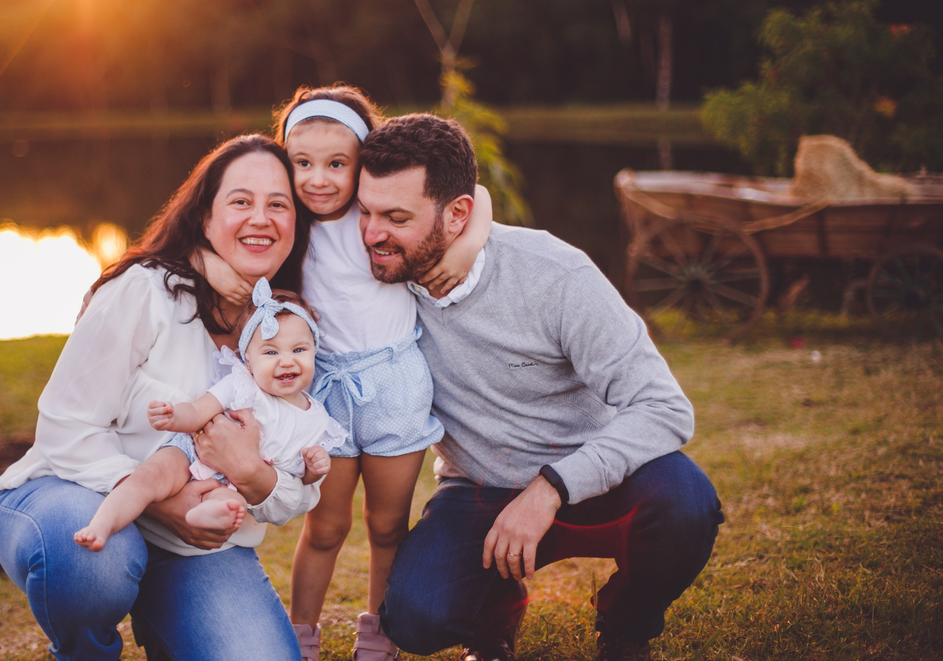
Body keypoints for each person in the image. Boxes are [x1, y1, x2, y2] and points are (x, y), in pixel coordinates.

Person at [357, 114, 724, 661]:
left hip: (596, 479)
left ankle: (626, 624)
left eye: (395, 216)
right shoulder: (375, 280)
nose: (371, 234)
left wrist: (550, 487)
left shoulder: (555, 274)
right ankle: (494, 617)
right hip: (479, 487)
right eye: (364, 212)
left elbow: (664, 408)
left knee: (686, 505)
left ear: (459, 214)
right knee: (414, 618)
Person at [0, 134, 316, 661]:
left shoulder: (290, 332)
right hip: (75, 495)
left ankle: (171, 623)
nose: (262, 218)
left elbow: (298, 482)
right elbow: (64, 427)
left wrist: (255, 476)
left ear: (295, 225)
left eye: (278, 204)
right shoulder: (145, 290)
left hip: (190, 548)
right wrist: (161, 500)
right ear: (205, 218)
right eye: (241, 201)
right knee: (93, 564)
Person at [199, 86, 492, 661]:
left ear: (365, 164)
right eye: (302, 163)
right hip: (322, 389)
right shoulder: (287, 228)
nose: (319, 179)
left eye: (338, 164)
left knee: (387, 527)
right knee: (325, 527)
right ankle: (300, 633)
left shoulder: (379, 220)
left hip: (394, 386)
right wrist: (207, 259)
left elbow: (473, 193)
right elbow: (198, 234)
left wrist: (467, 244)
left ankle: (378, 632)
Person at [73, 281, 346, 550]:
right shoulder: (242, 384)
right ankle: (101, 525)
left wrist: (313, 469)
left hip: (230, 484)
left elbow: (298, 476)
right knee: (148, 478)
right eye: (271, 352)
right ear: (248, 361)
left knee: (232, 507)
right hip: (191, 452)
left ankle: (202, 515)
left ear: (314, 350)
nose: (287, 361)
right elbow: (198, 410)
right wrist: (173, 416)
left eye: (299, 350)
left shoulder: (317, 420)